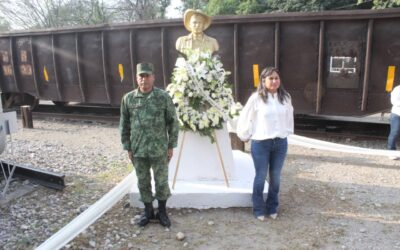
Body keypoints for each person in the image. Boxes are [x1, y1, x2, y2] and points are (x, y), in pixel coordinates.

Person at [120, 62, 179, 227]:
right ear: (136, 78)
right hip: (138, 150)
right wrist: (128, 147)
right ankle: (148, 211)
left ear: (153, 77)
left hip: (159, 149)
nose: (144, 79)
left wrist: (171, 146)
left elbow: (173, 123)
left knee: (161, 181)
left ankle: (162, 212)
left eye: (147, 75)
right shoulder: (129, 99)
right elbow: (124, 125)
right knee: (143, 181)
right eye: (141, 76)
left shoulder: (163, 97)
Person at [237, 67, 294, 221]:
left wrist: (287, 131)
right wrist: (244, 134)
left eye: (276, 78)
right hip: (261, 143)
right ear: (263, 81)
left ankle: (272, 206)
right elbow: (245, 116)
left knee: (275, 177)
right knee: (261, 176)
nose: (274, 81)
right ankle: (258, 208)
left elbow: (289, 115)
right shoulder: (256, 98)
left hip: (280, 143)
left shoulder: (286, 97)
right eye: (270, 78)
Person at [387, 84, 400, 159]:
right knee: (395, 132)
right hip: (397, 114)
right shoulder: (397, 89)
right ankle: (391, 152)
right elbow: (394, 101)